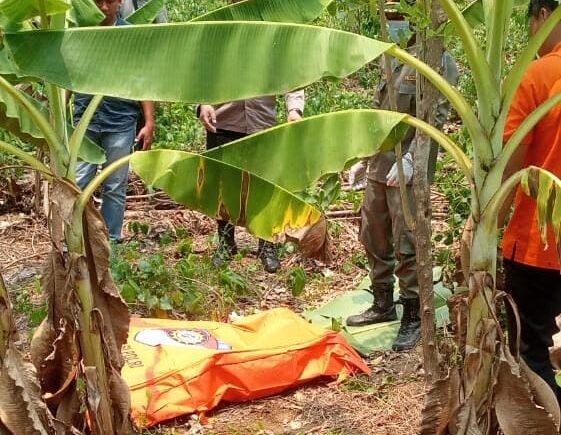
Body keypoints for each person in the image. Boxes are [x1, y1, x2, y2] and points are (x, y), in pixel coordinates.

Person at [346, 7, 458, 352]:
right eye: (390, 15)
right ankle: (383, 303)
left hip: (410, 168)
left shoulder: (437, 58)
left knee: (407, 242)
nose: (394, 22)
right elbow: (380, 114)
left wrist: (413, 159)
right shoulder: (391, 57)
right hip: (381, 163)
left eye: (399, 15)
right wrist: (365, 160)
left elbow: (437, 115)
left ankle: (413, 315)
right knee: (373, 234)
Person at [501, 0, 561, 399]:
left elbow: (511, 164)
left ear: (542, 16)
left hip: (538, 245)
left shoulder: (538, 76)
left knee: (531, 354)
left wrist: (487, 223)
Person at [75, 0, 155, 242]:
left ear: (119, 2)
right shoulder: (80, 35)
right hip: (83, 122)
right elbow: (66, 78)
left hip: (120, 120)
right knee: (78, 184)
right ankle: (77, 240)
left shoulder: (130, 37)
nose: (103, 7)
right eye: (98, 1)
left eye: (109, 1)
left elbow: (144, 80)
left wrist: (149, 121)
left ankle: (111, 242)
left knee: (115, 185)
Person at [198, 92, 304, 273]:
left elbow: (291, 74)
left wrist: (294, 110)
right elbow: (203, 72)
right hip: (222, 121)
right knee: (224, 187)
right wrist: (203, 102)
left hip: (262, 122)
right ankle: (226, 243)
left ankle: (266, 245)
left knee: (265, 187)